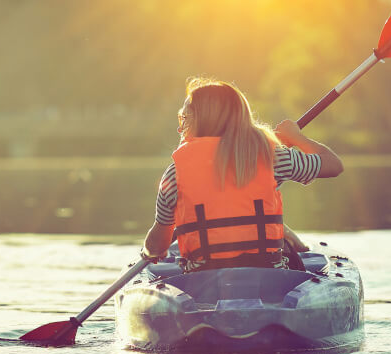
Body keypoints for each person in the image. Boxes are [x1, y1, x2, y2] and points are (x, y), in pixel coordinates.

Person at [142, 78, 343, 272]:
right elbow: (334, 165)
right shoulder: (273, 157)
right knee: (283, 240)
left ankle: (295, 242)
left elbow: (156, 247)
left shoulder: (174, 175)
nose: (180, 127)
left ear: (203, 121)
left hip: (202, 281)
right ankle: (298, 245)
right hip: (269, 277)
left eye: (184, 118)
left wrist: (148, 251)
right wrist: (297, 138)